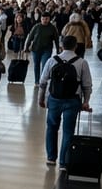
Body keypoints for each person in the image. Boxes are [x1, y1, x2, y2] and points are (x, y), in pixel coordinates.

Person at [38, 35, 93, 169]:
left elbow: (43, 82)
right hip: (72, 101)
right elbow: (87, 85)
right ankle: (64, 161)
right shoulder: (81, 62)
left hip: (54, 99)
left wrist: (41, 98)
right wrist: (86, 101)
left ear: (61, 45)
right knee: (68, 131)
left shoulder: (52, 60)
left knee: (52, 127)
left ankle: (51, 158)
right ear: (75, 46)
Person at [26, 13, 60, 86]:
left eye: (46, 19)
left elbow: (56, 39)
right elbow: (30, 37)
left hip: (47, 50)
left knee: (45, 65)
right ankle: (36, 81)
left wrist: (58, 49)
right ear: (41, 19)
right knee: (36, 65)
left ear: (49, 19)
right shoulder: (36, 27)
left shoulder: (52, 28)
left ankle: (42, 80)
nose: (45, 20)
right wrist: (26, 47)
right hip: (36, 49)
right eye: (43, 19)